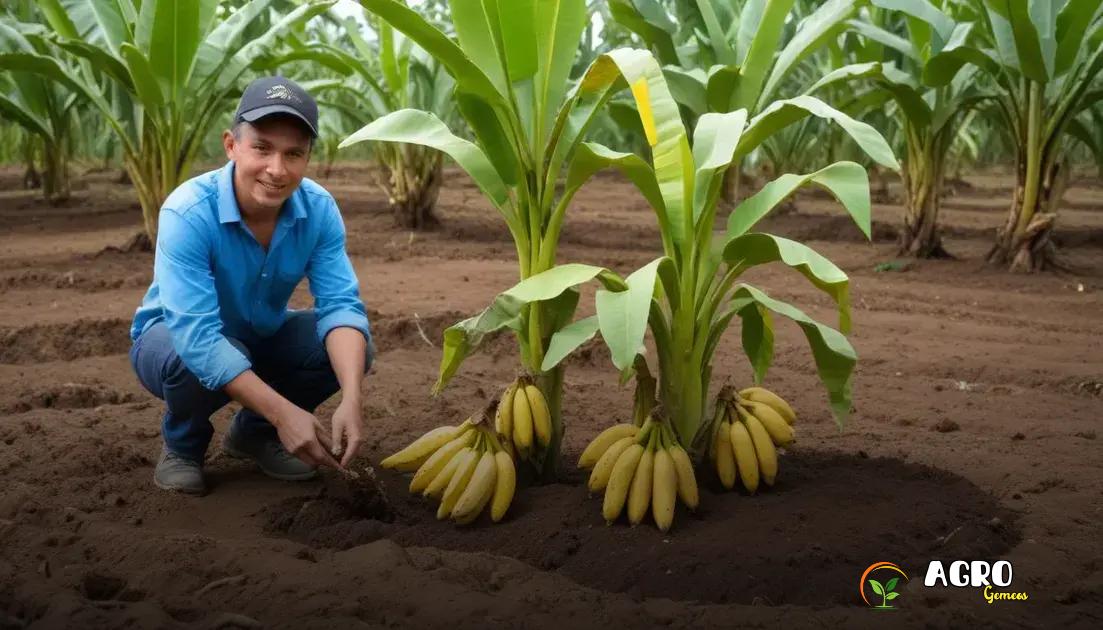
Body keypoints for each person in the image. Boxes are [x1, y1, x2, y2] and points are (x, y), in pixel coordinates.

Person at [128, 76, 373, 495]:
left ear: (309, 157)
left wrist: (352, 398)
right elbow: (199, 338)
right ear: (231, 145)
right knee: (207, 354)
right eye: (262, 148)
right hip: (170, 342)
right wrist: (284, 413)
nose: (277, 170)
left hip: (260, 334)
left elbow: (340, 305)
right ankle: (182, 447)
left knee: (348, 348)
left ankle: (252, 435)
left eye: (293, 154)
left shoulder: (319, 210)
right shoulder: (188, 211)